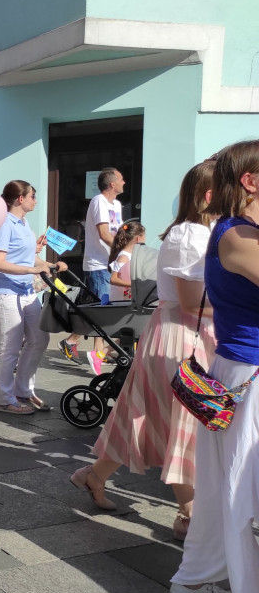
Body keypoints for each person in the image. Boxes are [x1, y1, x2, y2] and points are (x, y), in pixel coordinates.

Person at [71, 161, 215, 539]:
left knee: (146, 416)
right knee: (181, 422)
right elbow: (190, 302)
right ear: (211, 195)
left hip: (191, 333)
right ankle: (189, 512)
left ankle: (93, 475)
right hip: (181, 334)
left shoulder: (207, 230)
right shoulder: (189, 235)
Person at [171, 141, 259, 593]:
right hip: (248, 376)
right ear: (251, 181)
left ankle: (201, 576)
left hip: (244, 372)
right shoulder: (236, 237)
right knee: (237, 483)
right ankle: (200, 578)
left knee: (232, 482)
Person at [0, 180, 65, 415]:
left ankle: (23, 390)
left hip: (26, 292)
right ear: (20, 199)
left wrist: (51, 265)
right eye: (33, 196)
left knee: (40, 339)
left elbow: (31, 260)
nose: (36, 200)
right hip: (7, 293)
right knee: (10, 347)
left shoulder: (24, 223)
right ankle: (5, 399)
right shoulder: (4, 224)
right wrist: (33, 270)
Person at [60, 168, 125, 364]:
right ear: (112, 183)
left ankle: (82, 345)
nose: (125, 182)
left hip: (111, 263)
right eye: (122, 179)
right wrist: (123, 249)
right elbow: (104, 234)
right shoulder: (99, 202)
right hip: (97, 264)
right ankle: (89, 349)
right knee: (101, 309)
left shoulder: (117, 205)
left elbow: (117, 233)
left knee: (101, 309)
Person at [106, 221, 146, 305]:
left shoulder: (131, 255)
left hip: (126, 301)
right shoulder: (124, 257)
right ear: (138, 239)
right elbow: (113, 279)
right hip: (119, 304)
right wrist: (133, 285)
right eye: (144, 238)